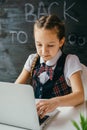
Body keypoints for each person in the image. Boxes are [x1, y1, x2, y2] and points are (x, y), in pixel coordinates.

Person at [15, 14, 84, 118]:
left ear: (61, 41)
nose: (43, 51)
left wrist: (56, 102)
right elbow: (15, 88)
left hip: (62, 117)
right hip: (36, 116)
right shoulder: (32, 59)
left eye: (50, 45)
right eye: (39, 44)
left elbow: (80, 95)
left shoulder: (70, 61)